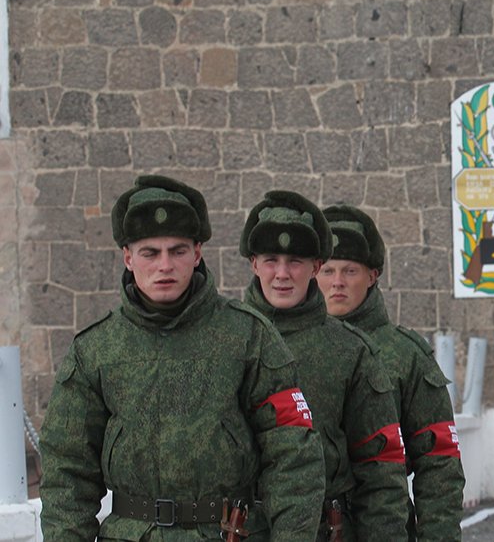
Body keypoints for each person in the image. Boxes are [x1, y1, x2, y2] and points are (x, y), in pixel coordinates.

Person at [39, 174, 325, 541]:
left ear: (197, 254)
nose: (165, 265)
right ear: (128, 257)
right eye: (150, 253)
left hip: (226, 532)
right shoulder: (96, 348)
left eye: (177, 251)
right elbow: (67, 470)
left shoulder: (249, 336)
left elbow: (293, 458)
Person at [241, 191, 411, 541]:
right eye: (271, 260)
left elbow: (381, 473)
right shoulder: (225, 341)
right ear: (254, 264)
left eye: (295, 261)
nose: (282, 274)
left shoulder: (351, 351)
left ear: (315, 267)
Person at [317, 205, 465, 541]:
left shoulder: (405, 355)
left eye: (350, 271)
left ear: (372, 276)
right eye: (328, 270)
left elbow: (439, 462)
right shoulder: (278, 346)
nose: (337, 283)